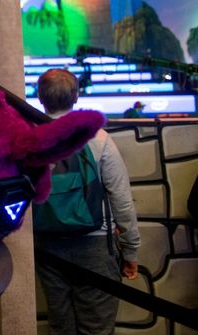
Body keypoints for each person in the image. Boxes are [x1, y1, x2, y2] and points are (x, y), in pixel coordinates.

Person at [35, 69, 140, 335]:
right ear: (76, 96)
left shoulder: (31, 138)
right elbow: (121, 198)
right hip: (95, 244)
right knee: (97, 328)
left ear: (40, 97)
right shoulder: (97, 137)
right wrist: (130, 251)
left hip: (47, 245)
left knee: (60, 326)